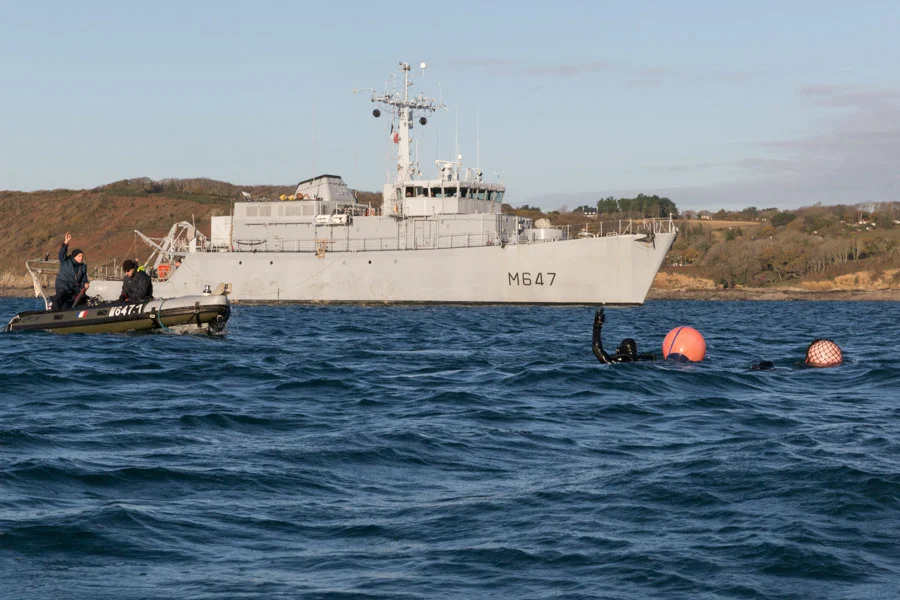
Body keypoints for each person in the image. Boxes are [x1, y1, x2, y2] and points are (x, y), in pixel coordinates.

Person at [592, 308, 657, 363]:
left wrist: (597, 325)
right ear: (636, 348)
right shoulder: (645, 358)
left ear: (620, 350)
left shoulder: (618, 360)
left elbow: (596, 348)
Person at [53, 232, 90, 309]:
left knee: (85, 299)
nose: (81, 258)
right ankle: (53, 311)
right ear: (74, 256)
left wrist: (85, 284)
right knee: (61, 296)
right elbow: (61, 254)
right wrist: (66, 242)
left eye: (82, 256)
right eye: (79, 256)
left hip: (74, 288)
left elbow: (84, 280)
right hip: (63, 286)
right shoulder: (65, 261)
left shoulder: (83, 267)